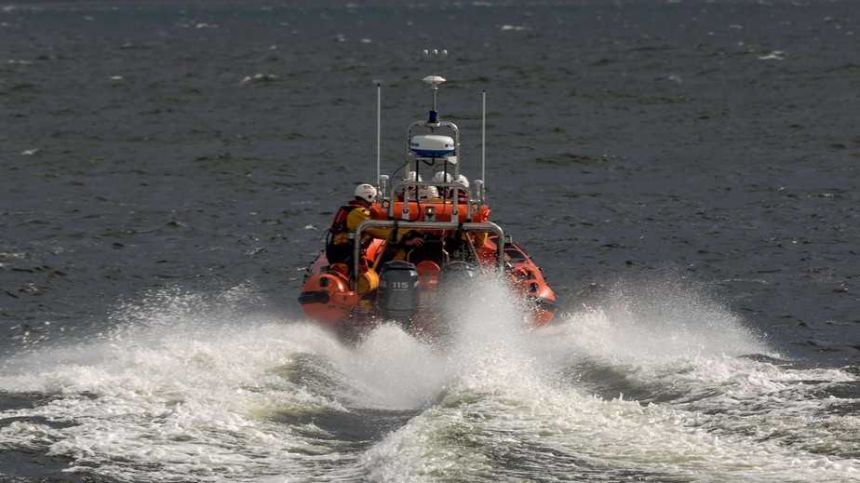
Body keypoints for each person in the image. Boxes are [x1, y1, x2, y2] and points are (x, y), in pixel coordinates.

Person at [326, 183, 422, 274]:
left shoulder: (354, 211)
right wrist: (406, 236)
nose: (375, 202)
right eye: (375, 198)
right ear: (369, 197)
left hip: (342, 250)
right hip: (344, 254)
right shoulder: (358, 213)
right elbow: (378, 230)